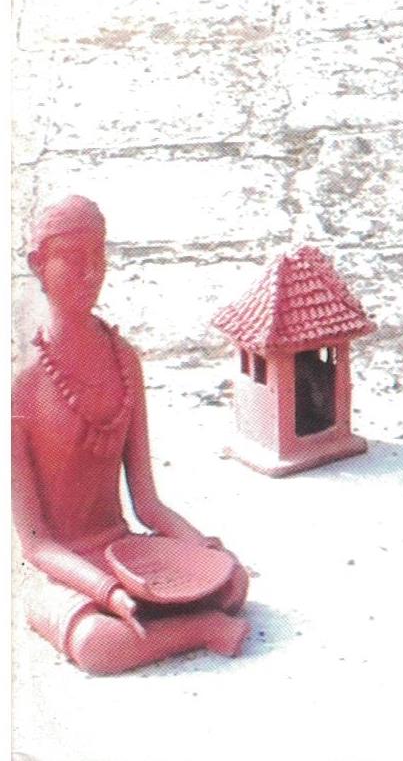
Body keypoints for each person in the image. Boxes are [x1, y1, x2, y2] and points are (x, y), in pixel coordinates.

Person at [12, 196, 250, 673]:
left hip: (124, 550)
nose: (90, 274)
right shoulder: (23, 387)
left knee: (233, 582)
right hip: (64, 570)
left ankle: (161, 625)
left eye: (98, 258)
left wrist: (200, 545)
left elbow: (147, 503)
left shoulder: (123, 359)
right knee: (97, 644)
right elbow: (36, 545)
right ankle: (197, 629)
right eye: (73, 260)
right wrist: (106, 592)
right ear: (39, 265)